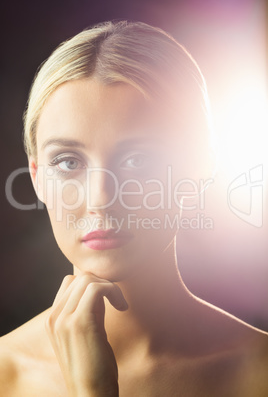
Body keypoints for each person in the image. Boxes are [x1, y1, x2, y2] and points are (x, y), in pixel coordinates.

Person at [0, 20, 267, 396]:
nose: (100, 198)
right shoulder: (5, 373)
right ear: (37, 178)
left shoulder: (258, 371)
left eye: (138, 160)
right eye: (68, 162)